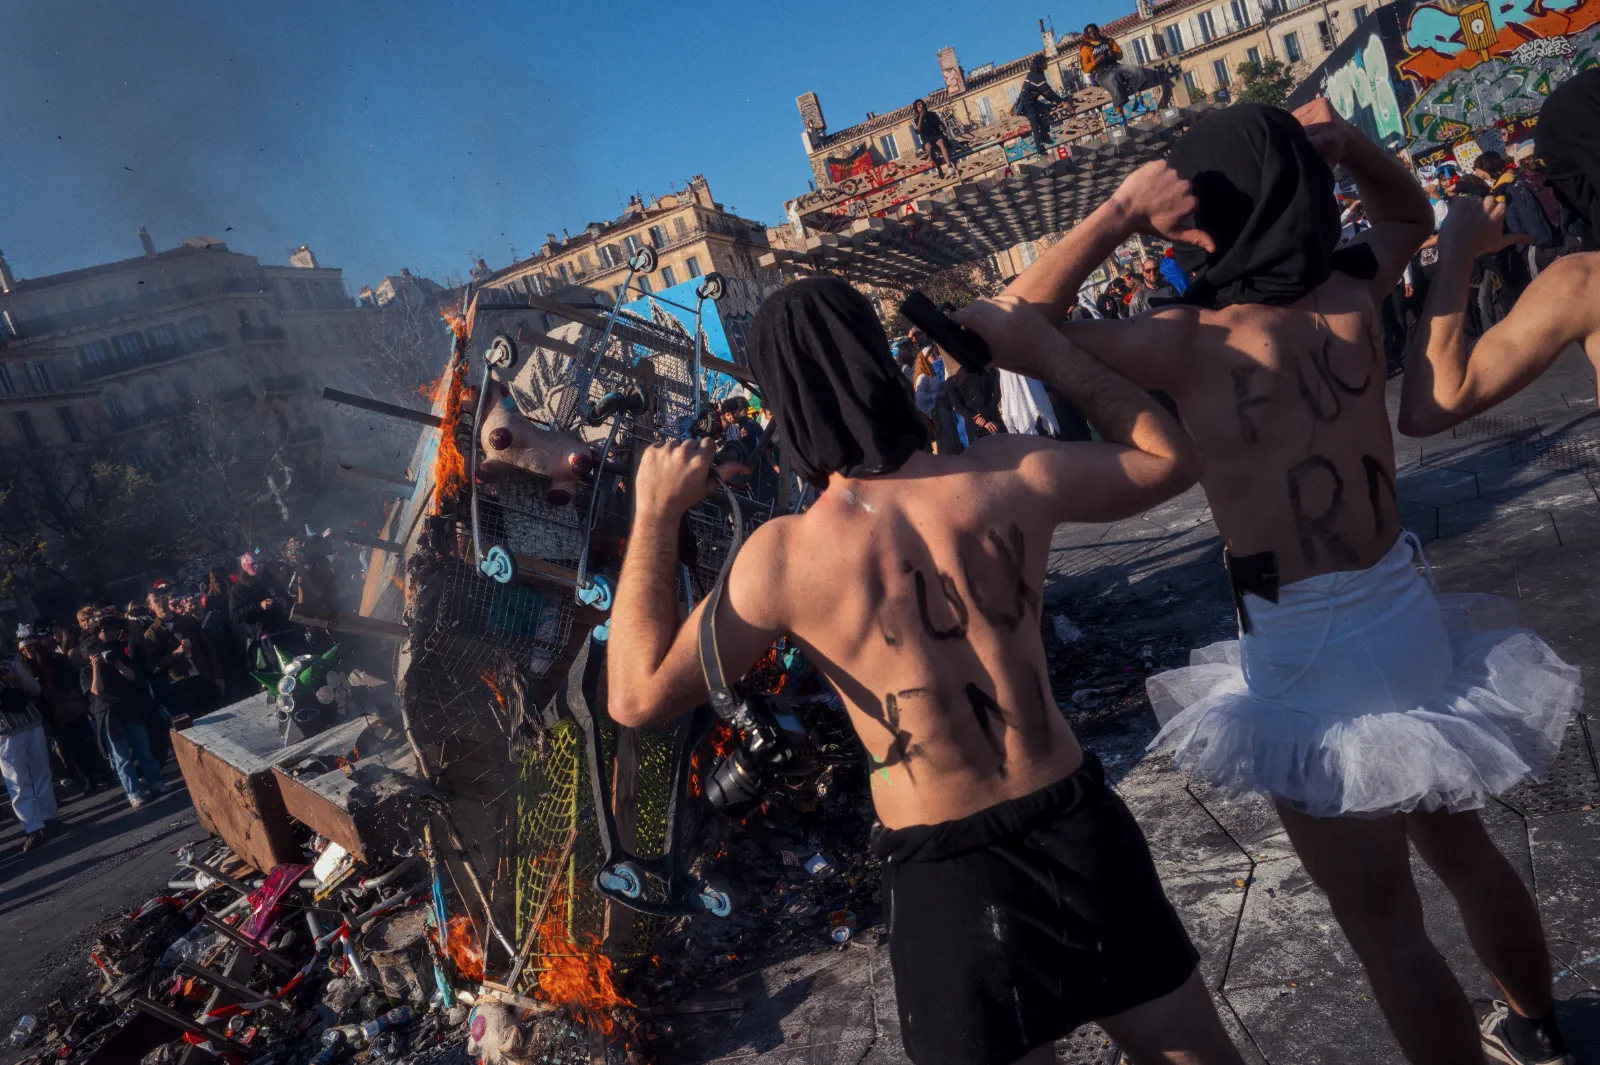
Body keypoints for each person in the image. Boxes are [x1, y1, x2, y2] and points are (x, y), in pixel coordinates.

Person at [1006, 101, 1578, 1065]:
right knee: (1467, 852)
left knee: (1384, 926)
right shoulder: (1349, 290)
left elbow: (1012, 323)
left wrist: (1118, 212)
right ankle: (1537, 1027)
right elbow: (1410, 217)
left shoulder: (1190, 341)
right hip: (1402, 608)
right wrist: (1350, 144)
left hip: (1304, 648)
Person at [608, 272, 1245, 1065]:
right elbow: (1172, 456)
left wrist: (653, 510)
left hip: (951, 878)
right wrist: (1042, 349)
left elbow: (634, 694)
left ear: (783, 401)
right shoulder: (1004, 474)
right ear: (878, 364)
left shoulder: (785, 560)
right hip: (1076, 828)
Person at [1398, 68, 1600, 440]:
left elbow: (1428, 408)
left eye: (1553, 169)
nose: (1550, 184)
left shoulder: (1584, 280)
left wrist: (1456, 254)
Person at [15, 622, 111, 795]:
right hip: (51, 714)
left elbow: (71, 681)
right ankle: (87, 779)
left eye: (29, 647)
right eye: (23, 649)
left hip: (70, 707)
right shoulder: (26, 669)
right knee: (69, 748)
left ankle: (102, 773)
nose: (26, 651)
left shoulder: (56, 661)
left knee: (85, 742)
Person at [84, 609, 167, 807]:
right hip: (109, 714)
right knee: (121, 757)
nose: (110, 633)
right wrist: (96, 667)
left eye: (112, 629)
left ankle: (156, 782)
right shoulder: (87, 670)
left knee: (144, 749)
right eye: (105, 630)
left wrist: (118, 663)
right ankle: (134, 792)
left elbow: (133, 677)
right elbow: (96, 691)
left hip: (130, 708)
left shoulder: (120, 654)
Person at [2, 642, 60, 850]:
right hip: (4, 732)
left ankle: (50, 818)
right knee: (18, 782)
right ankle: (33, 828)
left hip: (30, 722)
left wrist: (17, 680)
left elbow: (36, 689)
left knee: (41, 773)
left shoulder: (9, 663)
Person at [144, 587, 224, 719]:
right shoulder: (152, 634)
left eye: (162, 597)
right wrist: (174, 654)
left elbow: (208, 649)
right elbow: (153, 666)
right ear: (150, 606)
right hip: (181, 683)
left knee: (220, 714)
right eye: (156, 600)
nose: (161, 601)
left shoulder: (188, 621)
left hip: (203, 675)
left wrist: (218, 676)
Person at [1079, 23, 1168, 121]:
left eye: (1094, 31)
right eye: (1090, 32)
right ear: (1087, 35)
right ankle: (1122, 117)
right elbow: (1085, 68)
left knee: (1134, 70)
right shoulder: (1085, 48)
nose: (1093, 33)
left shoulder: (1108, 41)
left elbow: (1120, 55)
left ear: (1097, 30)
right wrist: (1096, 61)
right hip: (1101, 74)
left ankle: (1139, 103)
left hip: (1115, 67)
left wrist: (1113, 53)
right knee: (1113, 81)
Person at [230, 551, 295, 677]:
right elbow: (235, 615)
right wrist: (259, 606)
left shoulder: (271, 580)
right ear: (245, 567)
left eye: (260, 562)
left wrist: (283, 602)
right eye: (253, 564)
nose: (258, 566)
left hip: (286, 630)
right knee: (282, 674)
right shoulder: (239, 589)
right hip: (267, 639)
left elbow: (288, 599)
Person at [1014, 55, 1065, 157]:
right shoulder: (1036, 76)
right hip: (1027, 106)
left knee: (1047, 109)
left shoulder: (1036, 74)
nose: (1046, 63)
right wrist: (1061, 101)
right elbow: (1048, 92)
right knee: (1035, 126)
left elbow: (1044, 92)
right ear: (1040, 64)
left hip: (1033, 103)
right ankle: (1040, 151)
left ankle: (1045, 135)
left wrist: (1057, 101)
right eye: (1045, 62)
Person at [945, 363, 1005, 438]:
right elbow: (958, 406)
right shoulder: (953, 381)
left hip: (991, 416)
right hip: (975, 423)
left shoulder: (988, 370)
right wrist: (978, 419)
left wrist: (984, 417)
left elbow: (997, 394)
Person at [912, 99, 956, 177]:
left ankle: (949, 166)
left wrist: (942, 127)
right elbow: (918, 130)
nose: (920, 106)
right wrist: (921, 117)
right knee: (929, 148)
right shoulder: (915, 120)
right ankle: (938, 167)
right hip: (926, 139)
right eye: (918, 105)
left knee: (941, 144)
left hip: (937, 135)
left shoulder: (933, 114)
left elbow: (940, 123)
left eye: (921, 104)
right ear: (916, 108)